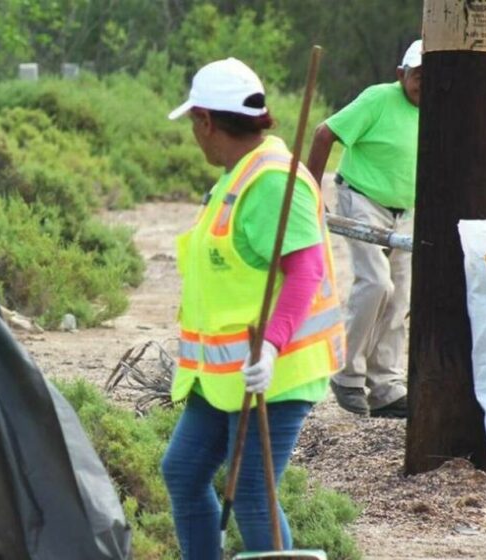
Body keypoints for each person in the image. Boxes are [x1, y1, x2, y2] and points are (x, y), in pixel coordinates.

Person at [160, 57, 345, 559]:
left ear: (206, 121)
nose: (195, 137)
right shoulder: (236, 176)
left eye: (194, 126)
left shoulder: (270, 182)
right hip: (222, 375)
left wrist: (270, 344)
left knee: (252, 497)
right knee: (182, 471)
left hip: (275, 370)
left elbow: (304, 270)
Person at [306, 40, 423, 419]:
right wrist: (310, 192)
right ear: (401, 75)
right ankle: (347, 374)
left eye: (432, 76)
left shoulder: (443, 108)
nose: (425, 83)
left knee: (400, 295)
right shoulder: (378, 99)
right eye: (418, 75)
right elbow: (325, 133)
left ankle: (386, 384)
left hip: (404, 210)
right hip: (362, 199)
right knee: (377, 283)